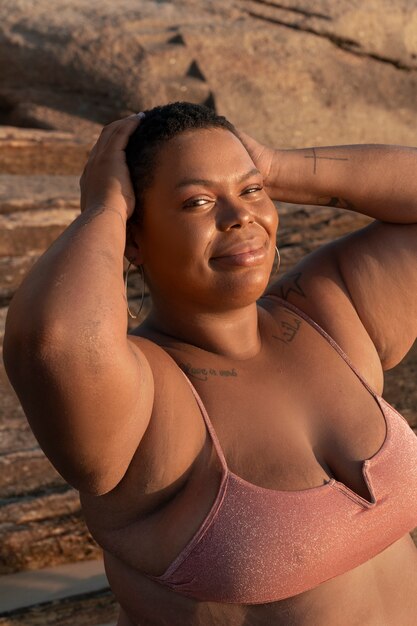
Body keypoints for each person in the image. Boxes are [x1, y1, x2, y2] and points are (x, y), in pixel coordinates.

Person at [3, 101, 417, 626]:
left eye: (250, 193)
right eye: (198, 201)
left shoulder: (332, 314)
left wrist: (271, 166)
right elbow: (55, 341)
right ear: (133, 237)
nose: (239, 216)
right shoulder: (151, 399)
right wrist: (103, 208)